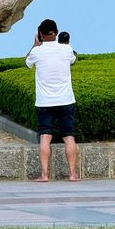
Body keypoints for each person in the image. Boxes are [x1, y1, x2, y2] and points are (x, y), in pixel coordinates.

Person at [25, 19, 78, 182]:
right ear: (55, 32)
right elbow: (73, 59)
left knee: (45, 137)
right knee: (69, 137)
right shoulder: (67, 49)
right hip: (66, 99)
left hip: (44, 101)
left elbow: (27, 63)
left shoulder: (37, 52)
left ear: (40, 34)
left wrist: (35, 45)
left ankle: (44, 175)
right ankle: (72, 174)